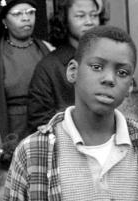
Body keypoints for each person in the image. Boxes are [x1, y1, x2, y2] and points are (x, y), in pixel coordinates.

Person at [4, 25, 138, 201]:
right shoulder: (32, 152)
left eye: (122, 72)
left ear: (130, 86)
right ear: (73, 71)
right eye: (97, 66)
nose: (109, 79)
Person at [0, 0, 54, 145]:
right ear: (4, 21)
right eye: (17, 14)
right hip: (9, 131)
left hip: (44, 125)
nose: (26, 18)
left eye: (30, 12)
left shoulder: (48, 50)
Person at [27, 0, 107, 132]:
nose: (89, 22)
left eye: (93, 15)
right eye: (80, 16)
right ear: (64, 20)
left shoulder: (111, 57)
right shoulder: (48, 67)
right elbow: (39, 120)